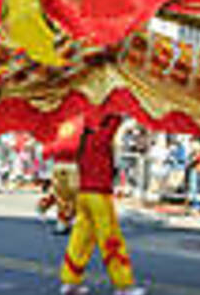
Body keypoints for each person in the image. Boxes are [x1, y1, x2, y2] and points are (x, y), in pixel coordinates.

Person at [59, 112, 148, 295]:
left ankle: (70, 282)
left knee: (80, 239)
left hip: (83, 194)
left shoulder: (83, 137)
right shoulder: (102, 134)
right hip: (98, 194)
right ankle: (123, 286)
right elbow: (116, 119)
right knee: (111, 239)